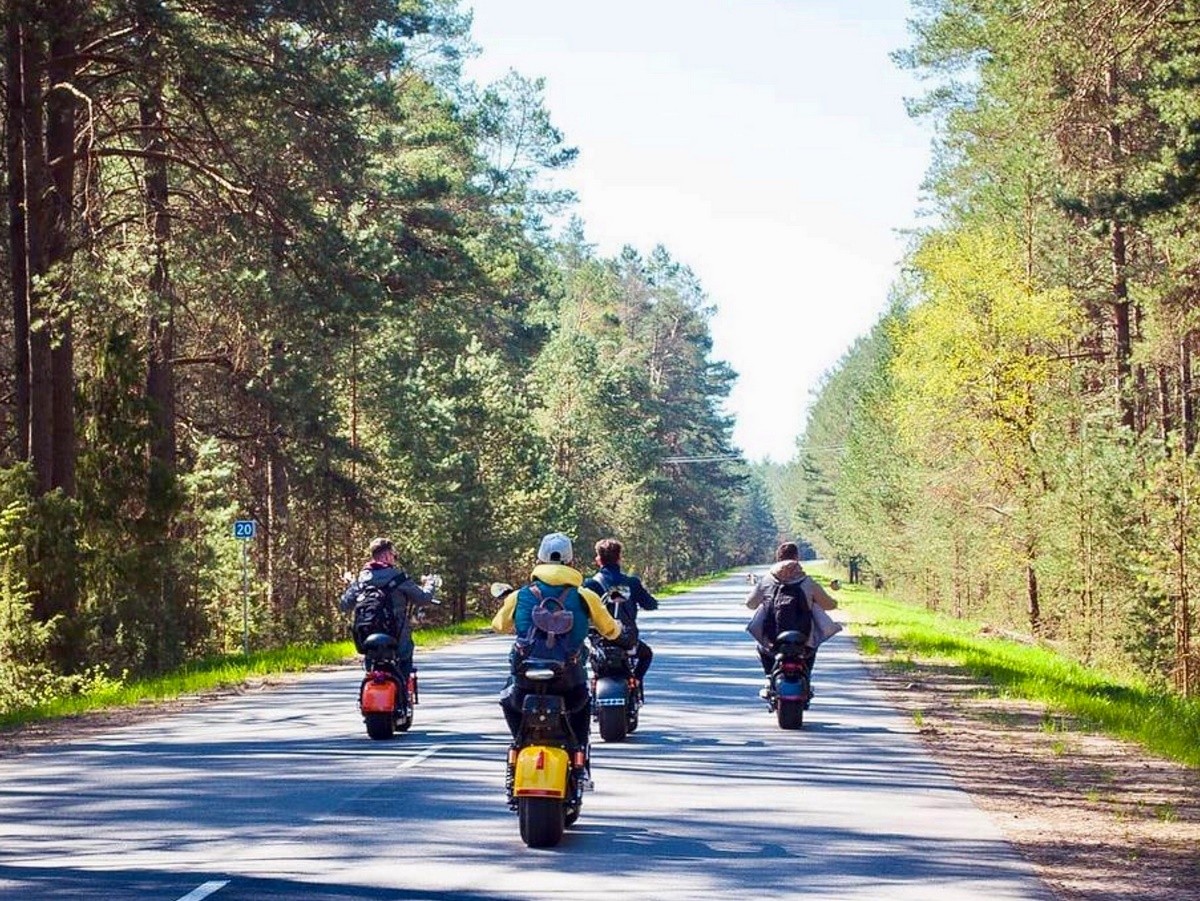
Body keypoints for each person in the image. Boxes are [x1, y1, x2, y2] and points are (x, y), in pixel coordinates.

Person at [492, 532, 633, 778]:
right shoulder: (584, 596)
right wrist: (622, 632)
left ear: (539, 558)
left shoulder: (520, 595)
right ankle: (579, 763)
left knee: (508, 698)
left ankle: (519, 746)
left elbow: (499, 626)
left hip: (526, 679)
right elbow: (610, 630)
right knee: (581, 707)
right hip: (568, 679)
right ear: (570, 560)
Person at [745, 541, 840, 699]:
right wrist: (831, 602)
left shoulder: (767, 581)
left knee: (761, 647)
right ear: (797, 558)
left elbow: (750, 604)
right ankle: (806, 679)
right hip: (803, 636)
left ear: (778, 558)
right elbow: (828, 605)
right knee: (812, 648)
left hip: (773, 637)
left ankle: (769, 677)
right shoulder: (807, 582)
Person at [339, 537, 438, 678]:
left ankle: (370, 683)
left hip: (367, 637)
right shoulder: (399, 577)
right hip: (397, 636)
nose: (394, 558)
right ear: (386, 555)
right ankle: (402, 692)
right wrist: (430, 583)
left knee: (371, 662)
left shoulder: (362, 579)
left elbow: (344, 605)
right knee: (405, 655)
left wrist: (350, 586)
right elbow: (423, 599)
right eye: (393, 555)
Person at [583, 538, 658, 698]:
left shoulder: (590, 585)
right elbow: (650, 604)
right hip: (626, 639)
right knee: (646, 654)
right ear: (619, 558)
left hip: (600, 640)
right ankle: (634, 681)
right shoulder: (631, 582)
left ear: (598, 559)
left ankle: (594, 684)